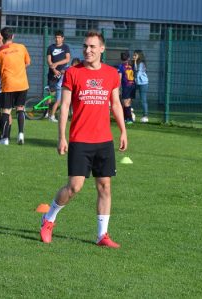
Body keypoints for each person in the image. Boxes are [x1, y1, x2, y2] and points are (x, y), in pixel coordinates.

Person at [40, 30, 127, 248]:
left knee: (105, 186)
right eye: (85, 46)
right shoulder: (73, 73)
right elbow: (65, 106)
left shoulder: (111, 74)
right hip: (80, 139)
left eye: (92, 47)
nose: (88, 50)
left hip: (104, 140)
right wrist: (61, 137)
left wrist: (123, 131)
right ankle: (49, 219)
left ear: (102, 49)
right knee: (75, 187)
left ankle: (102, 235)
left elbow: (115, 104)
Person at [0, 27, 31, 145]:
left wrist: (3, 68)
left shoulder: (0, 51)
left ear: (2, 37)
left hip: (8, 83)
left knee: (6, 111)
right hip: (22, 83)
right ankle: (21, 134)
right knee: (20, 108)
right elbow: (27, 62)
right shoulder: (21, 47)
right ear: (13, 36)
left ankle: (5, 139)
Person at [46, 30, 71, 123]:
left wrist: (57, 63)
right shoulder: (50, 47)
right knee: (50, 94)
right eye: (56, 37)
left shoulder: (66, 47)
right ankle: (47, 113)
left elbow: (67, 59)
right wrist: (54, 69)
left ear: (63, 38)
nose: (57, 39)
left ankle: (53, 114)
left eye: (59, 37)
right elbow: (48, 61)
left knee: (60, 96)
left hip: (62, 75)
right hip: (52, 74)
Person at [117, 52, 136, 124]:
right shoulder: (131, 65)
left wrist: (118, 88)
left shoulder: (121, 66)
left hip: (126, 86)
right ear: (128, 58)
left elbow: (119, 77)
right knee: (128, 102)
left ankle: (130, 119)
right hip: (132, 85)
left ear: (121, 58)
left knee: (125, 103)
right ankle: (125, 118)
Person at [133, 50, 149, 123]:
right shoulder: (136, 63)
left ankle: (145, 116)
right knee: (129, 97)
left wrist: (134, 80)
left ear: (139, 55)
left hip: (143, 83)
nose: (134, 56)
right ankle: (129, 113)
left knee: (143, 100)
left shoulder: (142, 64)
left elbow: (138, 73)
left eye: (135, 55)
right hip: (137, 83)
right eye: (134, 55)